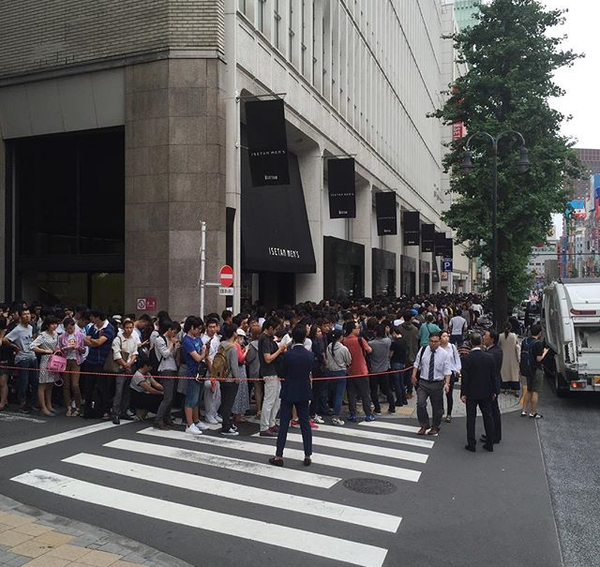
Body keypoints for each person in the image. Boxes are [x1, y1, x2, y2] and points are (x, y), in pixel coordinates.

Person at [269, 325, 314, 467]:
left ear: (293, 338)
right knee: (305, 424)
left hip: (289, 390)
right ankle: (307, 454)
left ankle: (279, 455)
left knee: (284, 424)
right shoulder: (309, 355)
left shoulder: (288, 355)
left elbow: (282, 372)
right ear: (304, 338)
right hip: (303, 390)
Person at [460, 333, 497, 452]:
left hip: (471, 392)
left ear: (470, 343)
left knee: (471, 418)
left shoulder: (466, 358)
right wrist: (494, 391)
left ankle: (471, 444)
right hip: (486, 391)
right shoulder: (489, 357)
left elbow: (465, 378)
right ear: (481, 342)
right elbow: (493, 376)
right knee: (488, 416)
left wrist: (463, 393)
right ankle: (490, 443)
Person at [411, 332, 451, 436]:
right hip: (423, 382)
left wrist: (447, 383)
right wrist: (413, 375)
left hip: (437, 383)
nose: (433, 343)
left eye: (436, 341)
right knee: (420, 403)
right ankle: (424, 425)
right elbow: (416, 363)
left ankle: (435, 426)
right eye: (431, 341)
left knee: (437, 407)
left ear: (439, 342)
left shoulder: (444, 354)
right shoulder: (423, 350)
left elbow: (447, 370)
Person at [3, 307, 38, 413]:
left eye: (28, 314)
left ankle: (33, 403)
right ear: (20, 316)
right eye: (24, 314)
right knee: (24, 382)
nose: (27, 316)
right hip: (22, 358)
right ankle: (22, 404)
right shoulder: (17, 329)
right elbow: (5, 339)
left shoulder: (31, 327)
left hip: (32, 356)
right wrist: (15, 346)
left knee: (35, 381)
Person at [82, 309, 116, 419]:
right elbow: (86, 340)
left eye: (92, 316)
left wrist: (93, 341)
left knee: (103, 387)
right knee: (88, 387)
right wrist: (94, 341)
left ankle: (106, 410)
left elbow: (98, 342)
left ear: (97, 317)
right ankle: (87, 410)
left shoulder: (109, 328)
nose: (90, 318)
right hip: (90, 360)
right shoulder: (93, 327)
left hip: (102, 362)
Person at [181, 316, 210, 435]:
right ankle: (189, 424)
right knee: (191, 399)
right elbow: (197, 357)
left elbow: (203, 352)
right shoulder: (187, 341)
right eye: (198, 328)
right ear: (191, 327)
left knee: (197, 398)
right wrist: (203, 353)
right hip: (193, 372)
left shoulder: (197, 338)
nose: (199, 331)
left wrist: (204, 351)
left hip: (201, 371)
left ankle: (196, 420)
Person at [258, 317, 287, 437]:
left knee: (276, 399)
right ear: (270, 328)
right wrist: (280, 350)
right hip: (269, 372)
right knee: (269, 400)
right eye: (275, 329)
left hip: (274, 372)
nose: (276, 332)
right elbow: (268, 358)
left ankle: (271, 423)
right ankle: (264, 426)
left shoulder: (268, 339)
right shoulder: (265, 339)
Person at [344, 320, 375, 422]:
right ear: (353, 329)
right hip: (361, 370)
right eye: (357, 328)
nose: (359, 329)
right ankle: (368, 414)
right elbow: (369, 350)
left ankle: (353, 414)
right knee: (365, 394)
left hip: (349, 371)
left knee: (351, 394)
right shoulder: (360, 340)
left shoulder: (344, 341)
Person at [153, 320, 181, 429]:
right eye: (174, 332)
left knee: (171, 397)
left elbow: (172, 355)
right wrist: (171, 344)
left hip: (173, 368)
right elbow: (165, 354)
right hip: (165, 369)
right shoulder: (159, 339)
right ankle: (158, 419)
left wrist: (176, 348)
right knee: (167, 397)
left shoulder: (170, 340)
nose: (174, 335)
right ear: (169, 329)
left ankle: (167, 417)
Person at [215, 324, 242, 436]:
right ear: (234, 333)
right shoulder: (233, 348)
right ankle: (226, 427)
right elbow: (234, 366)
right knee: (228, 404)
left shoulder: (221, 344)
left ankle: (227, 423)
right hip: (230, 379)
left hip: (222, 377)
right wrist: (237, 379)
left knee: (224, 402)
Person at [30, 316, 60, 417]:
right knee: (42, 384)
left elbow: (57, 345)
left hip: (54, 360)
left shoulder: (56, 334)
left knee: (50, 384)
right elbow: (32, 346)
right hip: (45, 360)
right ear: (47, 325)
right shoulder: (42, 335)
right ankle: (43, 408)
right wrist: (44, 351)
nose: (55, 326)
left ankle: (49, 405)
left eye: (56, 324)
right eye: (52, 324)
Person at [110, 318, 139, 424]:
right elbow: (116, 355)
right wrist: (125, 365)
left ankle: (124, 411)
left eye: (131, 327)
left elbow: (135, 353)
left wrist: (130, 363)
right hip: (120, 368)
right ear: (123, 328)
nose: (129, 330)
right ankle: (115, 413)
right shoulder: (118, 339)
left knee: (127, 391)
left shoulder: (133, 339)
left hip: (130, 366)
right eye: (127, 328)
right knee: (119, 391)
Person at [58, 317, 86, 417]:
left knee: (75, 385)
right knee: (66, 385)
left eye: (72, 328)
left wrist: (78, 348)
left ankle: (78, 407)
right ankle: (68, 406)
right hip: (65, 360)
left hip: (76, 361)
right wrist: (64, 349)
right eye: (68, 328)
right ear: (65, 328)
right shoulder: (61, 337)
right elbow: (59, 349)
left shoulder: (80, 335)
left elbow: (84, 350)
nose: (70, 330)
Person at [325, 328, 351, 426]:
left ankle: (332, 409)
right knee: (339, 395)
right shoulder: (343, 348)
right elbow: (348, 360)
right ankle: (336, 416)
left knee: (333, 393)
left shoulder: (329, 346)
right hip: (340, 372)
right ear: (341, 337)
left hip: (330, 372)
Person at [368, 324, 395, 414]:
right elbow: (388, 338)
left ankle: (377, 408)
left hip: (374, 370)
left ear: (375, 332)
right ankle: (392, 407)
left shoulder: (371, 343)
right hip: (384, 369)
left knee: (374, 391)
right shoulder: (387, 341)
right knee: (387, 389)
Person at [522, 323, 547, 419]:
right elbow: (538, 359)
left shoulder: (525, 341)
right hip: (536, 369)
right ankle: (533, 412)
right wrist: (544, 353)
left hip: (527, 369)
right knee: (535, 391)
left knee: (529, 390)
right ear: (539, 333)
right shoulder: (538, 343)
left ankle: (524, 411)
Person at [483, 329, 503, 444]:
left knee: (493, 411)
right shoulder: (493, 350)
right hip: (492, 385)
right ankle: (492, 433)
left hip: (491, 386)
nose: (483, 338)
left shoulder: (494, 353)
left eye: (485, 336)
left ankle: (494, 435)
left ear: (492, 339)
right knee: (492, 410)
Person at [130, 356, 164, 420]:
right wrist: (161, 393)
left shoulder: (148, 374)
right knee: (156, 398)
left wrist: (165, 389)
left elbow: (156, 385)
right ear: (145, 366)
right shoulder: (138, 375)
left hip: (144, 394)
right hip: (137, 396)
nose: (151, 368)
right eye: (150, 366)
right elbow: (150, 389)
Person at [202, 318, 222, 425]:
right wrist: (212, 371)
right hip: (208, 369)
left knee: (217, 393)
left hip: (217, 367)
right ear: (207, 328)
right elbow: (206, 357)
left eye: (214, 327)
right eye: (210, 327)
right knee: (210, 392)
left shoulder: (216, 338)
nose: (212, 329)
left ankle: (214, 413)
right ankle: (209, 414)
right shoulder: (203, 339)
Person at [440, 330, 461, 423]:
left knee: (449, 394)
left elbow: (457, 359)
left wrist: (457, 370)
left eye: (447, 336)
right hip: (440, 373)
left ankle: (449, 413)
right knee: (438, 394)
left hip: (450, 372)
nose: (446, 338)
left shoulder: (452, 347)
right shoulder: (438, 347)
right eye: (444, 336)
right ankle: (440, 410)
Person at [231, 327, 251, 424]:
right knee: (240, 392)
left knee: (238, 392)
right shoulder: (237, 345)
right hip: (239, 370)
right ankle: (238, 415)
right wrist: (246, 351)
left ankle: (237, 414)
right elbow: (241, 359)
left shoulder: (233, 345)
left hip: (237, 370)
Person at [400, 311, 419, 399]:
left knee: (401, 374)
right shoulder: (415, 329)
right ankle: (409, 391)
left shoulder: (399, 328)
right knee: (410, 374)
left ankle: (402, 391)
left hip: (401, 353)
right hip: (412, 354)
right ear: (411, 318)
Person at [499, 322, 521, 395]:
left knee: (505, 373)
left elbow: (499, 345)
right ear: (511, 328)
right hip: (513, 358)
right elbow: (517, 346)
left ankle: (506, 389)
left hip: (504, 358)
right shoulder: (514, 336)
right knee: (514, 374)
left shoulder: (500, 336)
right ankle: (515, 390)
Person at [390, 326, 408, 407]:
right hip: (402, 363)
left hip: (395, 363)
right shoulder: (404, 341)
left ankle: (399, 401)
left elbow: (391, 354)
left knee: (397, 383)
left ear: (394, 333)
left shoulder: (394, 343)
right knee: (401, 382)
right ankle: (404, 399)